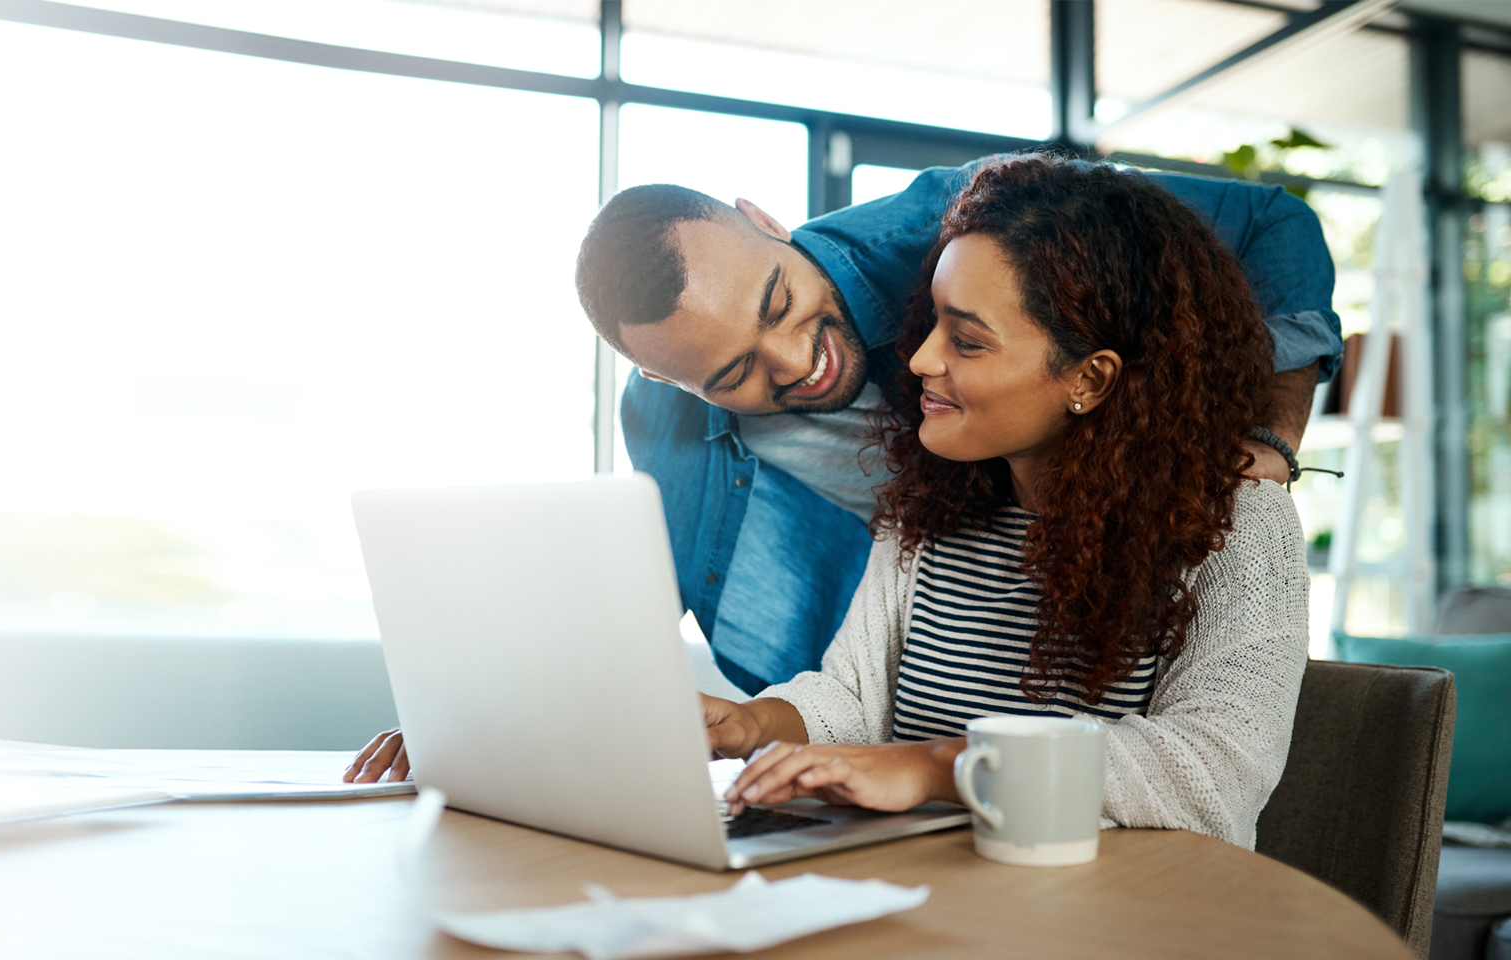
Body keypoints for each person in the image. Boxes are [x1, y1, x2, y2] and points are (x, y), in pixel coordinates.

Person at [343, 152, 1335, 785]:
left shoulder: (962, 228)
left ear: (766, 220)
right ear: (672, 383)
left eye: (780, 304)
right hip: (908, 813)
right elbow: (845, 688)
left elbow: (1211, 764)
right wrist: (494, 729)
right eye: (733, 373)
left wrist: (1268, 452)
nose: (797, 363)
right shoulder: (923, 507)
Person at [704, 155, 1308, 848]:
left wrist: (939, 764)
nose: (922, 359)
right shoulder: (924, 513)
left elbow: (1212, 770)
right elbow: (855, 699)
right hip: (940, 896)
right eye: (932, 321)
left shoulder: (1238, 526)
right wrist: (750, 723)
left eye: (965, 340)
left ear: (1090, 377)